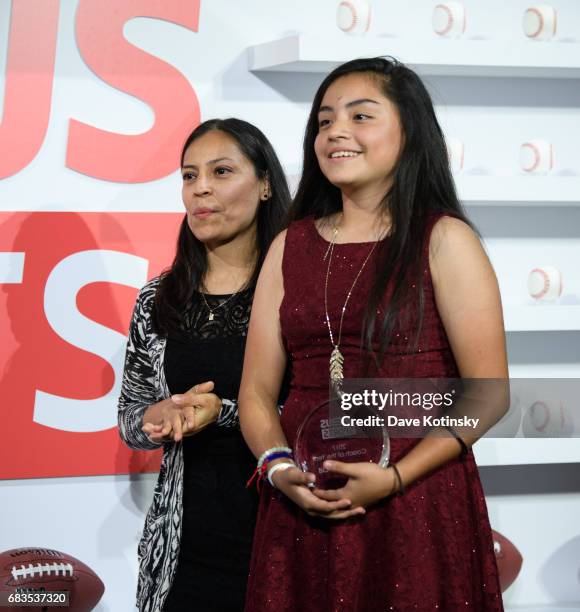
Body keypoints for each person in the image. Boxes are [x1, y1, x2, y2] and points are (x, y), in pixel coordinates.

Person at [239, 57, 508, 611]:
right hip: (303, 498)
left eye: (361, 116)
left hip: (416, 500)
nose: (336, 131)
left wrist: (396, 479)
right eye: (324, 120)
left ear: (409, 132)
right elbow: (256, 394)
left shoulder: (444, 239)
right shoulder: (289, 246)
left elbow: (488, 391)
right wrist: (278, 468)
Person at [117, 117, 290, 612]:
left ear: (263, 185)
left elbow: (317, 411)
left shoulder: (296, 293)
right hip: (183, 548)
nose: (201, 190)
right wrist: (156, 417)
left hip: (280, 528)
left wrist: (226, 412)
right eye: (189, 176)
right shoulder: (159, 297)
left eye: (220, 171)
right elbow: (130, 415)